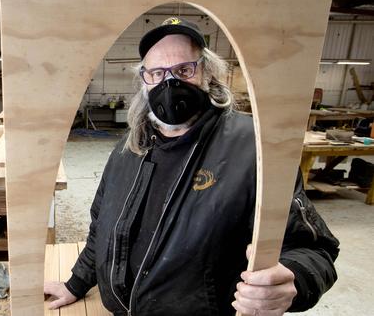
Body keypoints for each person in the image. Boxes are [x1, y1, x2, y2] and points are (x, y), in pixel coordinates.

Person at [44, 17, 339, 315]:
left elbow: (314, 249)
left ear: (208, 74)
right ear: (144, 81)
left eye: (184, 70)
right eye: (157, 73)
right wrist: (76, 283)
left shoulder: (254, 148)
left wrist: (295, 280)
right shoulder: (129, 147)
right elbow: (101, 230)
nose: (169, 84)